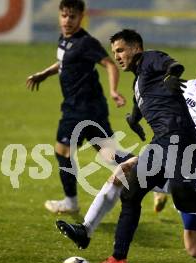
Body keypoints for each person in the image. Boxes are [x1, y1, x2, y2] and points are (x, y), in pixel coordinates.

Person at [66, 29, 196, 263]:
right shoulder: (183, 86)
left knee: (193, 243)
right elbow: (151, 95)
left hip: (194, 158)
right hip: (165, 144)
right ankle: (114, 256)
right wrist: (134, 117)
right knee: (127, 185)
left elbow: (172, 66)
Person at [26, 0, 129, 214]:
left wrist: (114, 91)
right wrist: (44, 74)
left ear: (82, 16)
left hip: (82, 108)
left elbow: (109, 64)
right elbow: (64, 62)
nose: (67, 20)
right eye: (64, 15)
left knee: (63, 151)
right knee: (109, 154)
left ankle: (70, 202)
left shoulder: (86, 42)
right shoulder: (64, 40)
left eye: (72, 16)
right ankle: (156, 177)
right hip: (84, 107)